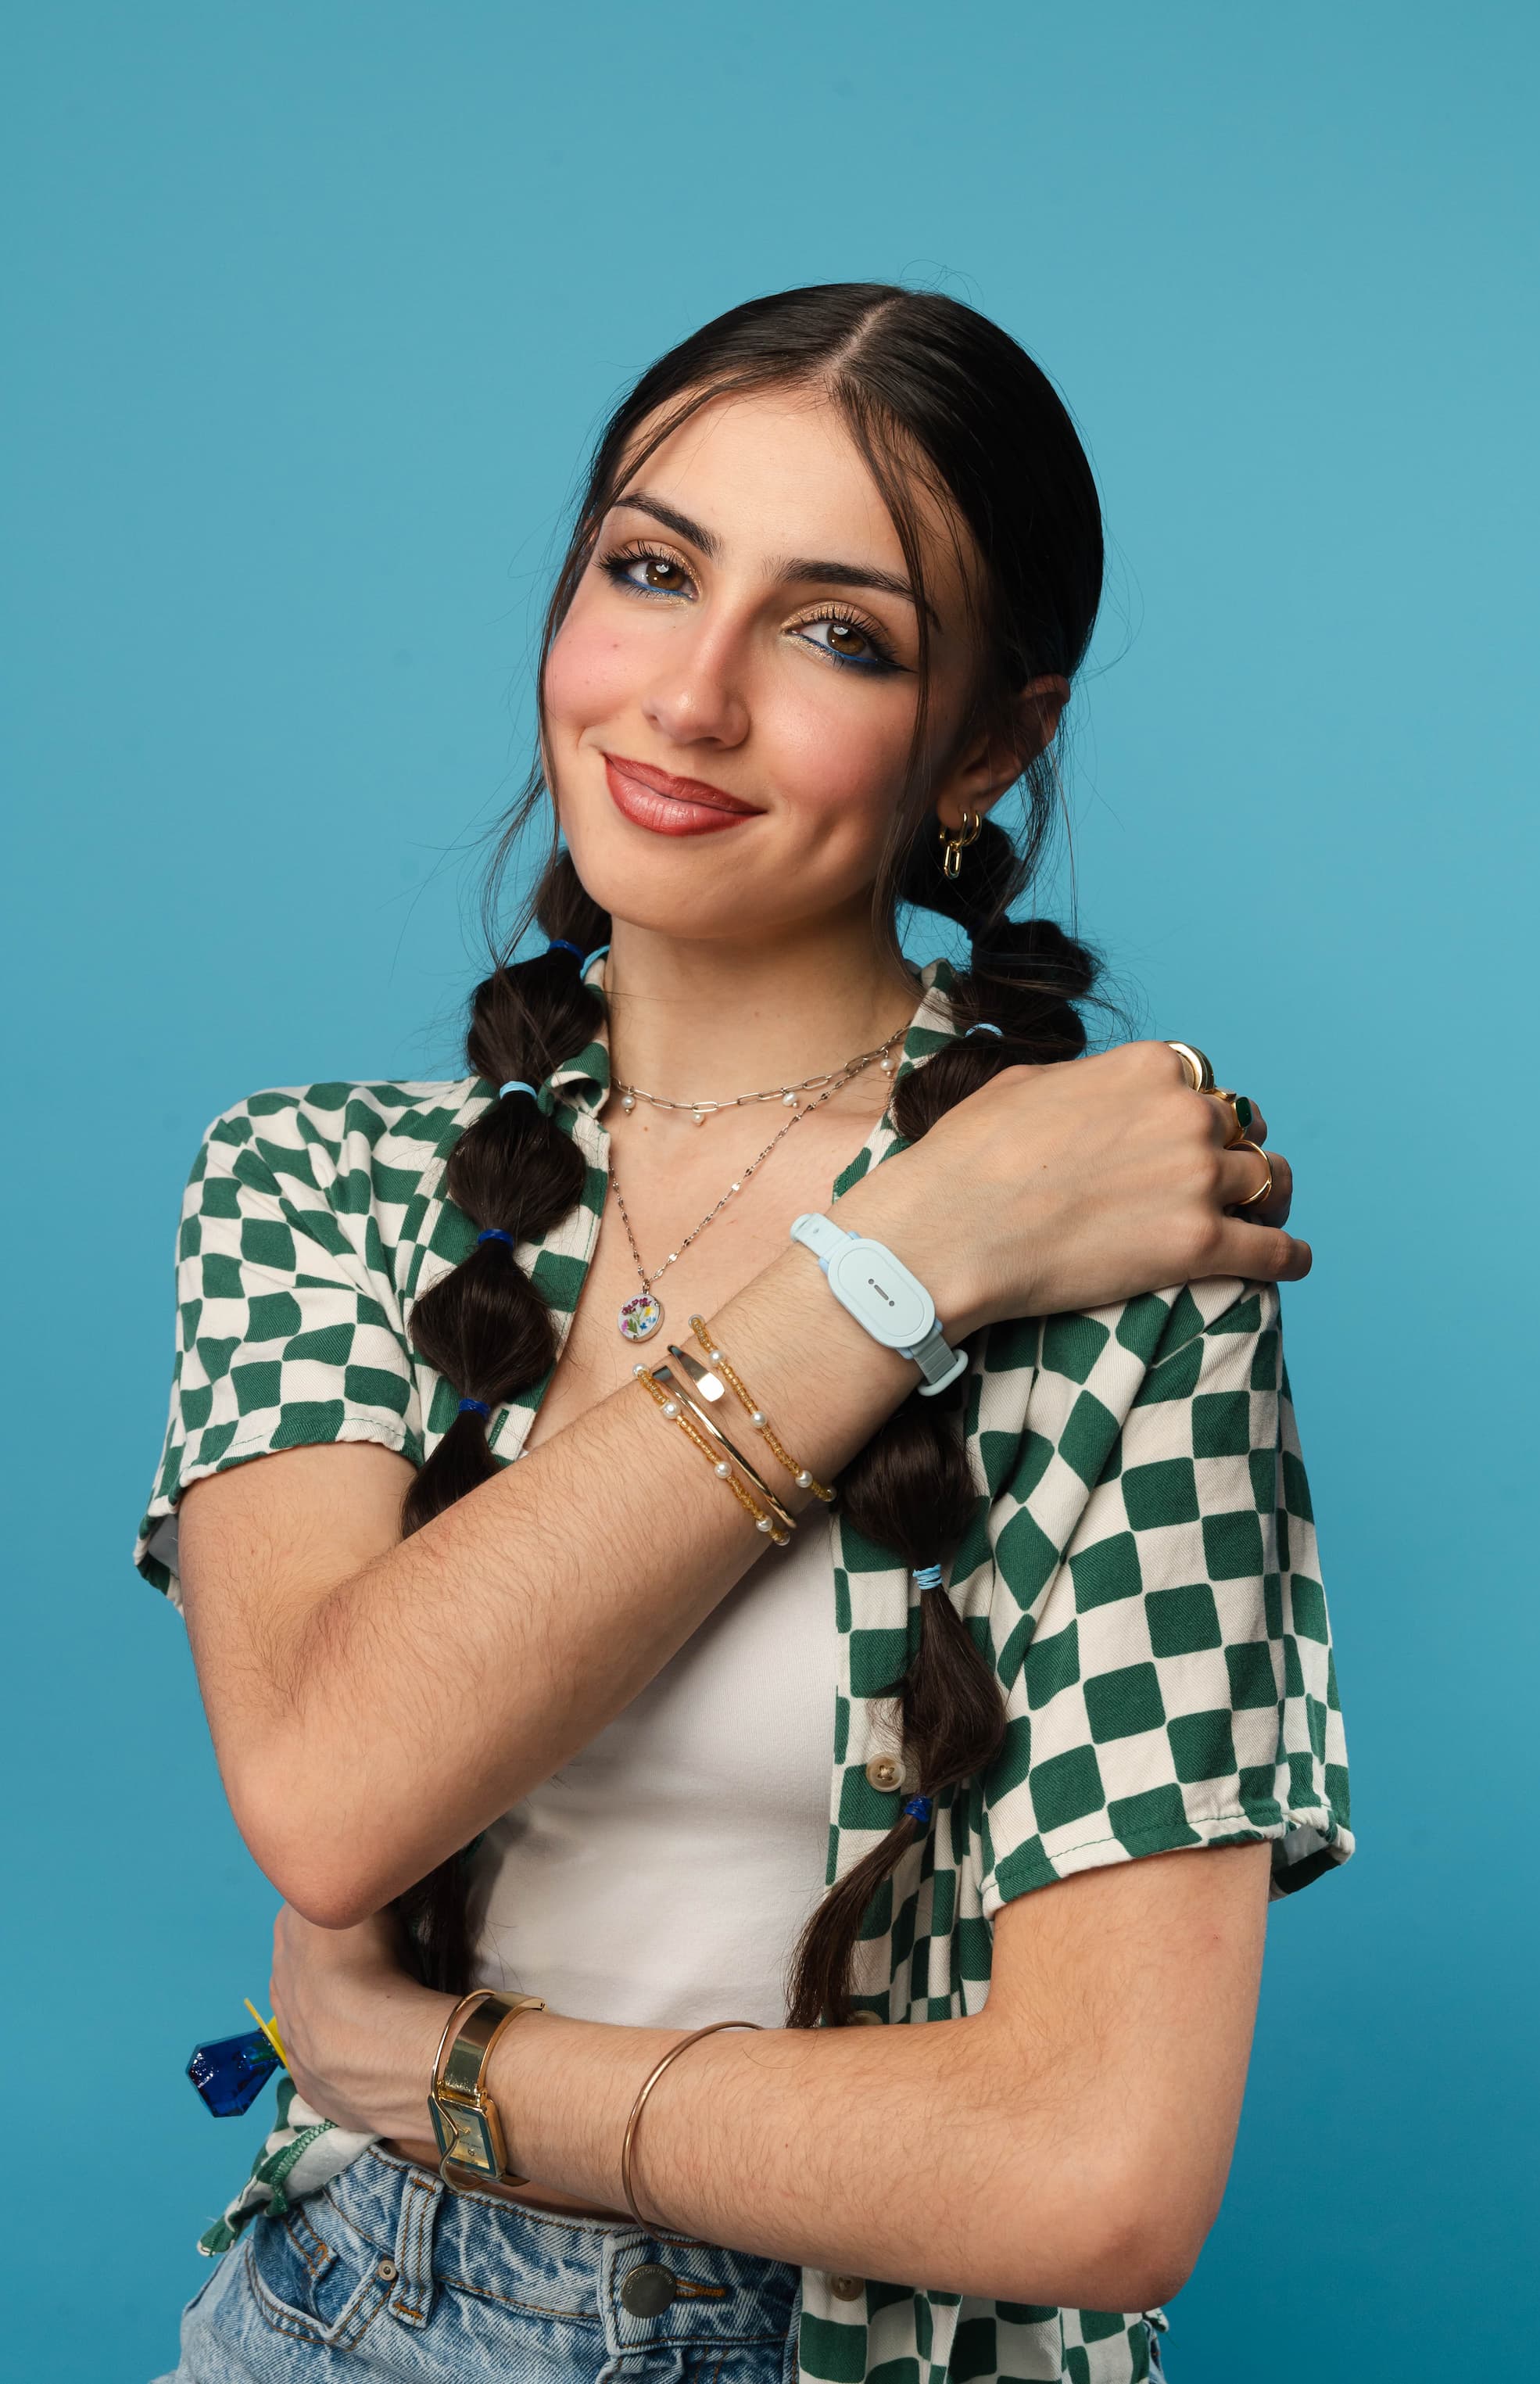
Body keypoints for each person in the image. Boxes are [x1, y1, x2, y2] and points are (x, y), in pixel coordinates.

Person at [138, 283, 1348, 2384]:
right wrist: (905, 1261)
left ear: (989, 744)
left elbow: (1097, 2173)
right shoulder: (315, 1183)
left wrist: (460, 2074)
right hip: (340, 2318)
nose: (689, 697)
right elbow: (334, 1793)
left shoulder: (1129, 1255)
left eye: (836, 632)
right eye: (650, 569)